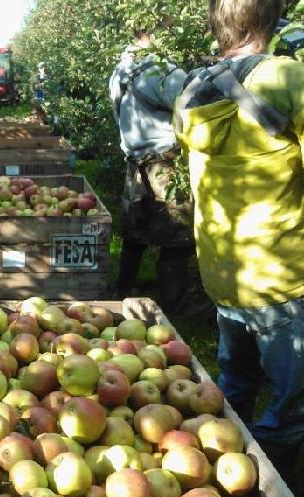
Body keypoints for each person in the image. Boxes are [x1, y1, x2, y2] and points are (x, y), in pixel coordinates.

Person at [174, 0, 304, 468]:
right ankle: (267, 487)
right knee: (293, 403)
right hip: (282, 274)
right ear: (271, 19)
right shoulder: (293, 80)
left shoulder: (193, 89)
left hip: (225, 270)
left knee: (235, 380)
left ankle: (215, 454)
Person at [108, 29, 202, 318]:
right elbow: (192, 101)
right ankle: (175, 304)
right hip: (164, 163)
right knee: (178, 233)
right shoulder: (158, 68)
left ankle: (122, 289)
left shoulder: (120, 69)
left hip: (136, 160)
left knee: (136, 230)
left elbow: (117, 110)